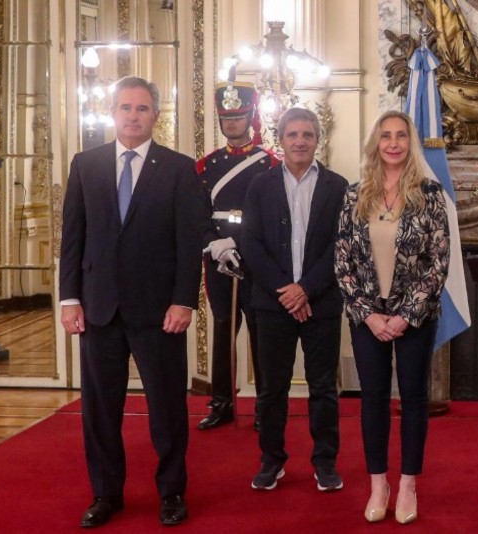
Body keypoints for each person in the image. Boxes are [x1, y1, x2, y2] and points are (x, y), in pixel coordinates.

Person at [59, 75, 210, 527]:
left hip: (159, 311)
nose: (133, 116)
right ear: (112, 112)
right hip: (98, 308)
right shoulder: (86, 165)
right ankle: (106, 494)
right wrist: (69, 299)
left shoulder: (179, 168)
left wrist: (183, 301)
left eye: (142, 108)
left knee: (167, 408)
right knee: (100, 410)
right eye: (125, 107)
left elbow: (189, 243)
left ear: (155, 116)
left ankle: (172, 492)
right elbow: (73, 237)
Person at [334, 111, 451, 524]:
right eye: (386, 136)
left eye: (401, 135)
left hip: (414, 316)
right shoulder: (354, 195)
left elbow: (439, 262)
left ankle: (407, 484)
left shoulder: (430, 194)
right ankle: (378, 484)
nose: (394, 143)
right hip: (367, 317)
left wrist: (406, 315)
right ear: (376, 143)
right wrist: (368, 315)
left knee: (414, 399)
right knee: (374, 400)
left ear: (410, 142)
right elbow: (342, 262)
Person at [241, 107, 348, 493]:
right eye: (293, 134)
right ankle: (272, 461)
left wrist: (306, 289)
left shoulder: (338, 186)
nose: (300, 141)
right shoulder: (260, 185)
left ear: (317, 139)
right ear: (281, 140)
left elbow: (342, 245)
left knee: (323, 387)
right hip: (273, 304)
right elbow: (250, 243)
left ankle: (325, 462)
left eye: (307, 134)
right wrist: (286, 290)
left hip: (322, 302)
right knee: (272, 389)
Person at [197, 80, 279, 431]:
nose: (231, 123)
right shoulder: (206, 166)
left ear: (251, 116)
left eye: (238, 116)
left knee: (261, 331)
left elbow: (273, 218)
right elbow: (198, 215)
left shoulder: (269, 163)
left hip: (256, 260)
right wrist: (215, 244)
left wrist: (239, 244)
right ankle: (222, 402)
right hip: (218, 258)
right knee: (222, 329)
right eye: (226, 118)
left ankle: (265, 405)